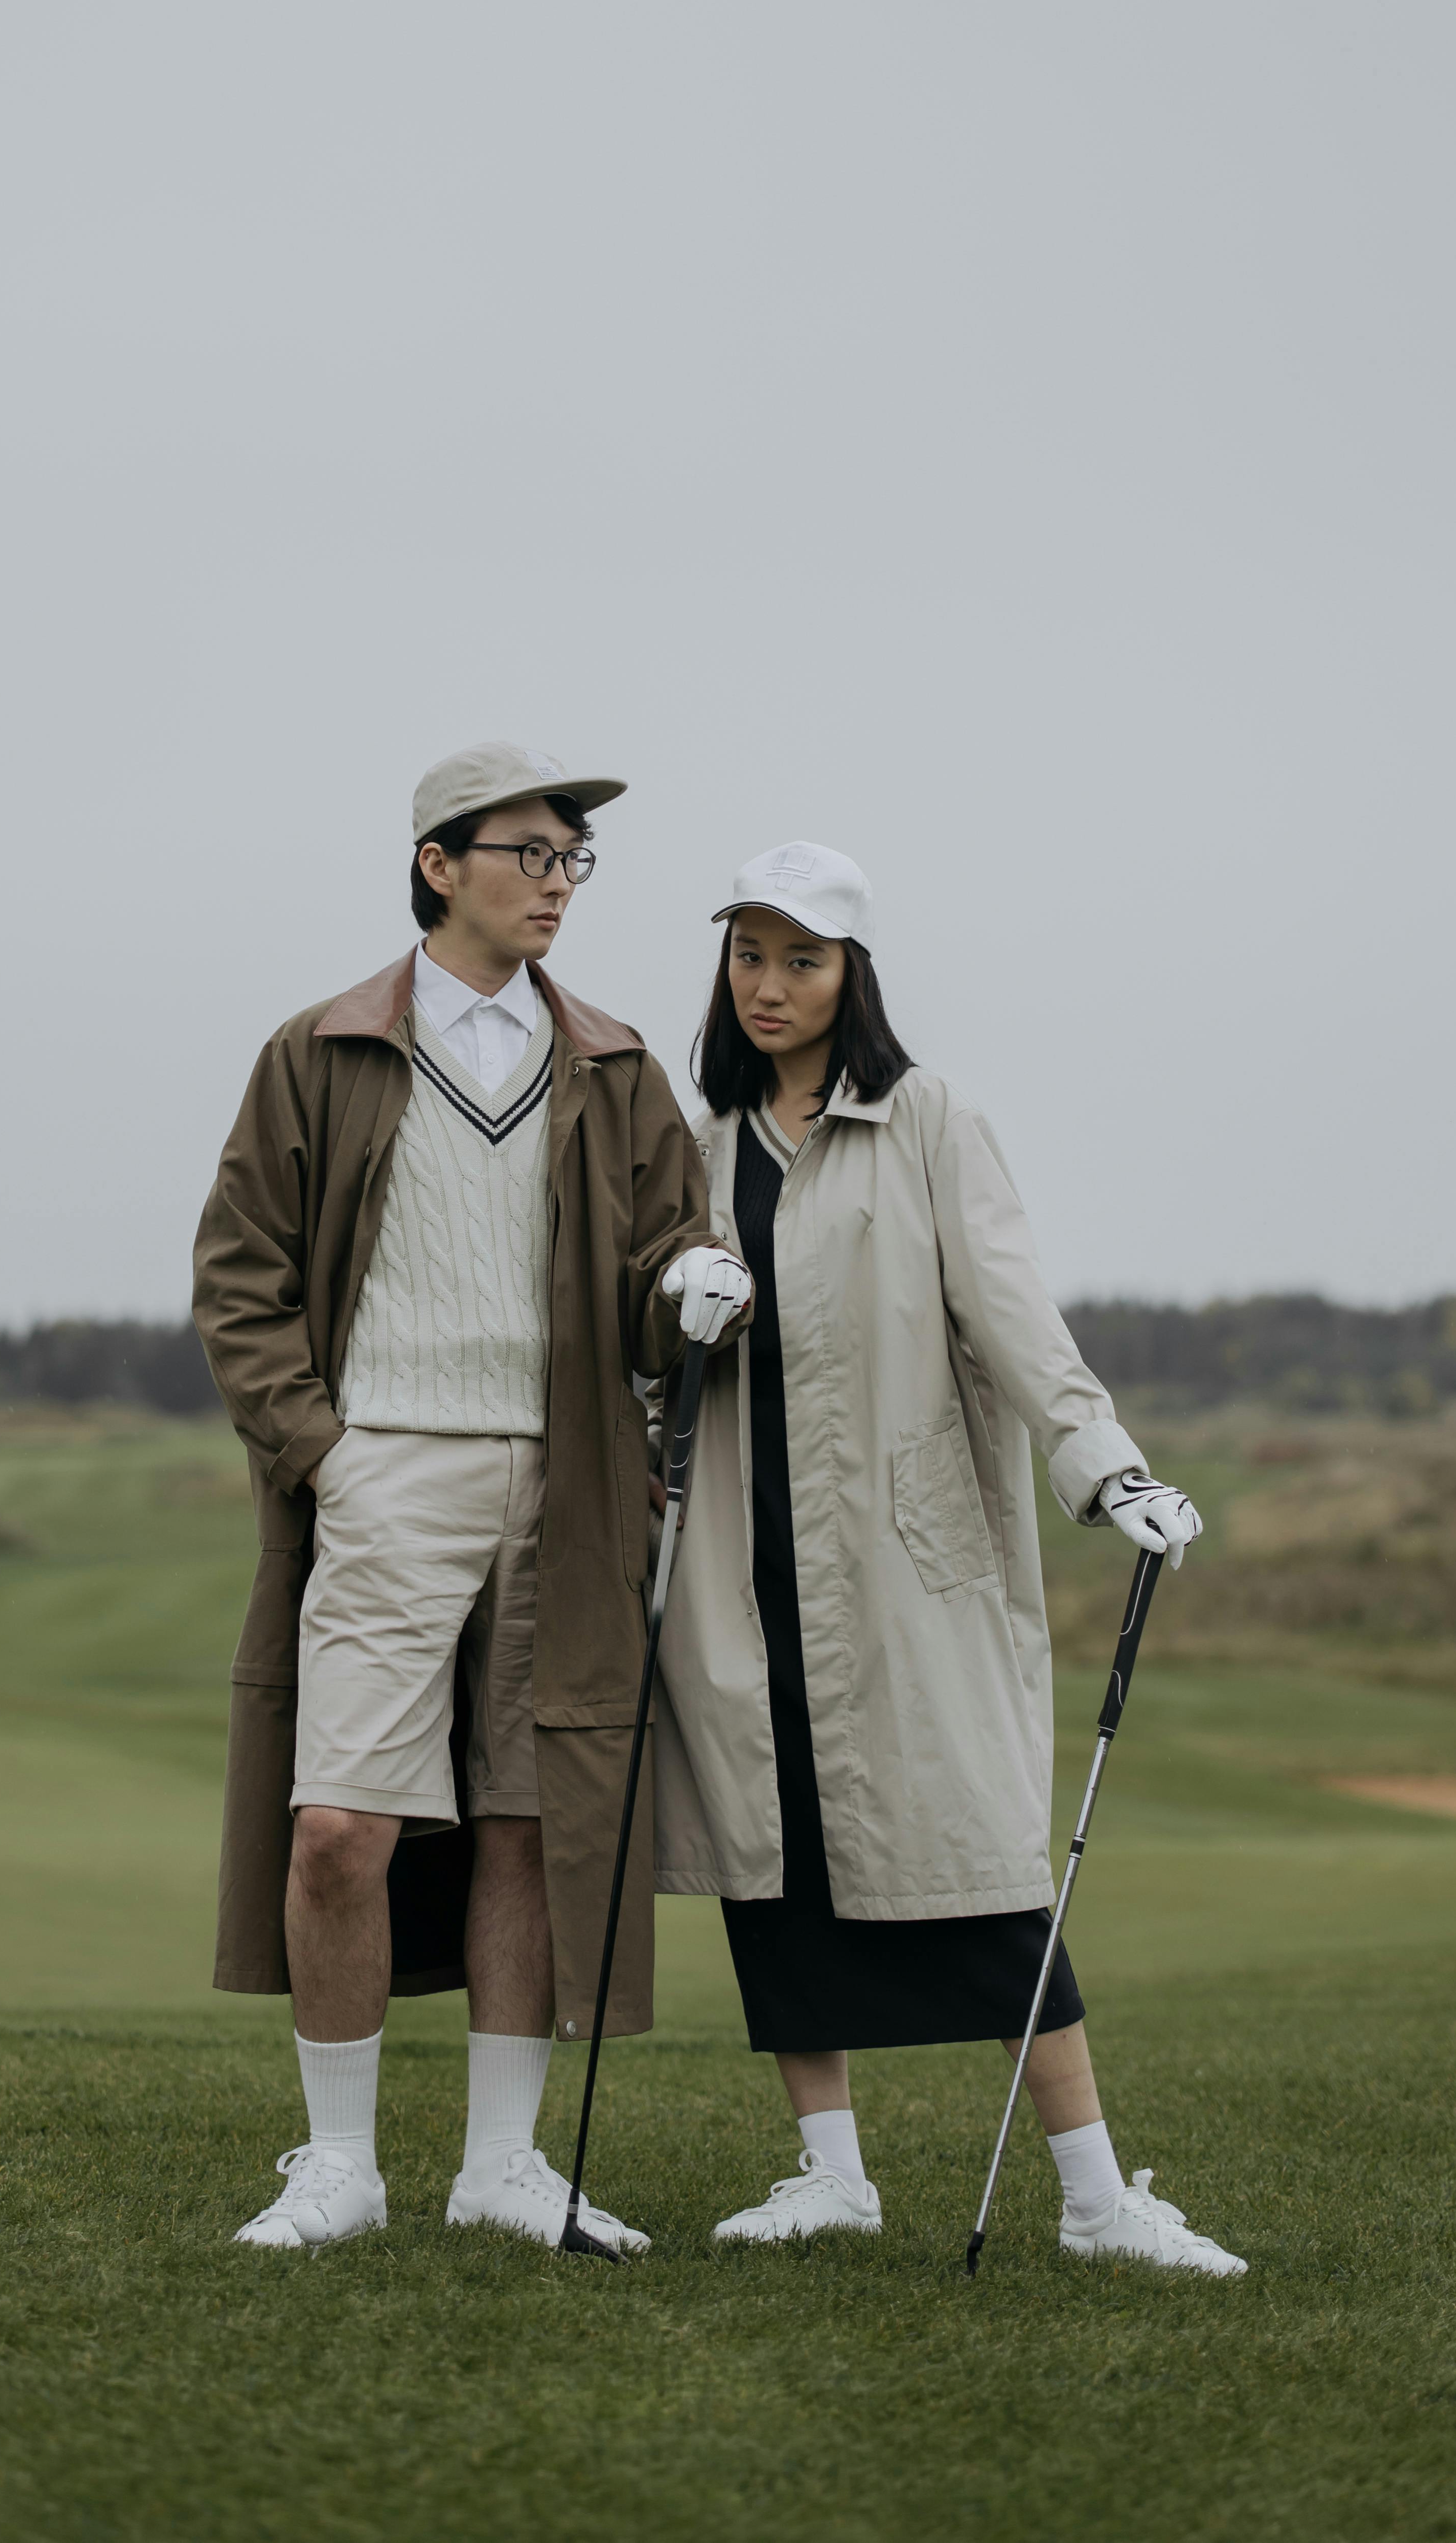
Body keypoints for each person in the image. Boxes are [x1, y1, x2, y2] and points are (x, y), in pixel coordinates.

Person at [651, 840, 1246, 2276]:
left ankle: (1101, 2203)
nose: (770, 986)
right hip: (746, 1560)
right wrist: (675, 1298)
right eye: (749, 957)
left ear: (853, 973)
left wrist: (1108, 1468)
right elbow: (652, 1349)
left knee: (983, 1876)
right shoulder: (703, 1143)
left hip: (906, 1566)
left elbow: (1014, 1318)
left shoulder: (927, 1123)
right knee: (772, 1870)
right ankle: (829, 2175)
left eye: (802, 960)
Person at [194, 740, 752, 2255]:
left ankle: (501, 2168)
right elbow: (240, 1279)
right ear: (441, 864)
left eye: (575, 861)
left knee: (526, 1821)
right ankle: (340, 2168)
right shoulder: (321, 1050)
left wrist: (691, 1290)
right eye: (529, 854)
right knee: (338, 1831)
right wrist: (329, 1452)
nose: (557, 883)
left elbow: (660, 1282)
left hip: (570, 1486)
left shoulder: (621, 1064)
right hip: (386, 1471)